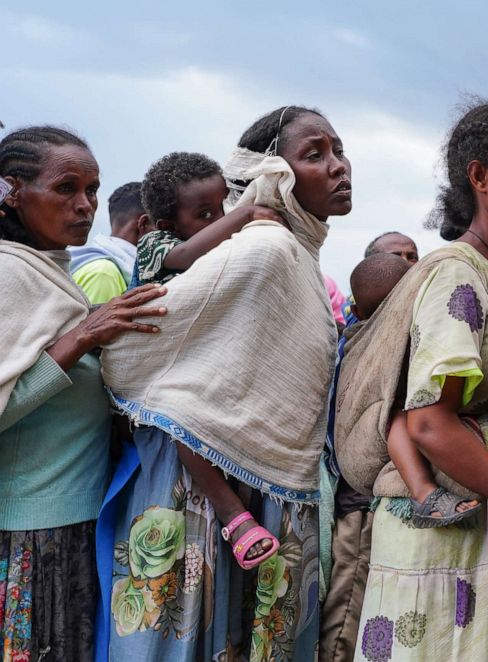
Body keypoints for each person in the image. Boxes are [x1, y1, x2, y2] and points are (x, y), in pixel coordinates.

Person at [334, 88, 488, 661]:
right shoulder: (457, 279)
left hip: (468, 520)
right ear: (479, 177)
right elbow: (428, 425)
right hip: (434, 535)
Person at [100, 105, 346, 661]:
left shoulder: (295, 253)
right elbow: (180, 366)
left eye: (338, 149)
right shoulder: (264, 246)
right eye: (314, 154)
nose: (337, 166)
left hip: (249, 470)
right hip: (205, 485)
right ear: (270, 175)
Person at [0, 126, 165, 661]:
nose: (85, 205)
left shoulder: (53, 272)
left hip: (71, 522)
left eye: (92, 189)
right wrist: (82, 339)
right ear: (12, 191)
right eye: (66, 188)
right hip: (30, 534)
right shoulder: (8, 273)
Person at [135, 151, 288, 569]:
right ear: (168, 225)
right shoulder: (155, 243)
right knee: (188, 421)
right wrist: (243, 218)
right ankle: (233, 516)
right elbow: (184, 261)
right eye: (206, 213)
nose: (221, 217)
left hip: (205, 367)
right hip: (164, 375)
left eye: (224, 205)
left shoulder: (228, 245)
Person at [320, 252, 413, 661]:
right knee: (347, 614)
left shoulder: (346, 344)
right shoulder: (384, 351)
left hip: (359, 499)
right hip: (360, 506)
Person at [69, 181, 145, 304]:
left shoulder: (99, 261)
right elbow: (92, 323)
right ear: (144, 223)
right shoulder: (104, 273)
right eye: (165, 225)